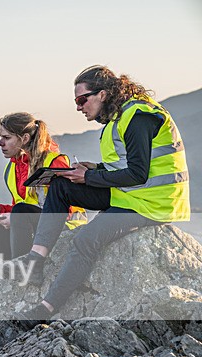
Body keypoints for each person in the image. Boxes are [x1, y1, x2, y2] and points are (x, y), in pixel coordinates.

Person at [13, 65, 189, 324]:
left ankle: (46, 309)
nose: (78, 107)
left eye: (81, 100)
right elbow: (125, 166)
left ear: (103, 94)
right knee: (61, 185)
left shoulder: (138, 116)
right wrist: (94, 168)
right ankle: (36, 259)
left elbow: (138, 173)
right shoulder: (118, 119)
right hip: (129, 194)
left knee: (86, 239)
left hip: (153, 203)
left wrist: (89, 177)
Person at [0, 112, 86, 260]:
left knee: (19, 213)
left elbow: (64, 211)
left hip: (64, 226)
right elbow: (23, 206)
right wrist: (2, 211)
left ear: (24, 139)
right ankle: (19, 259)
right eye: (1, 137)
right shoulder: (11, 168)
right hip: (31, 226)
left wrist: (15, 217)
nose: (0, 143)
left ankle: (23, 267)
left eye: (6, 138)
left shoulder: (54, 162)